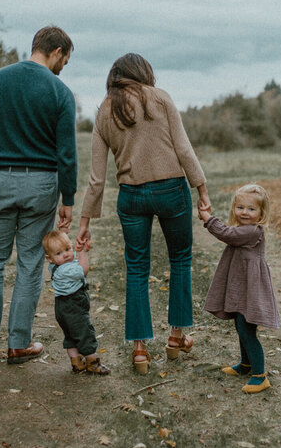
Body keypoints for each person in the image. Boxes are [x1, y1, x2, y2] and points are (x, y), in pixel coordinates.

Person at [76, 53, 211, 374]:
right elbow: (183, 148)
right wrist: (202, 190)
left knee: (136, 270)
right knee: (180, 260)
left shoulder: (105, 110)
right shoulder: (160, 99)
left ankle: (139, 350)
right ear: (144, 73)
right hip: (171, 192)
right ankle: (177, 336)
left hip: (132, 196)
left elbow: (97, 177)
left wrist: (84, 223)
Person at [0, 25, 77, 364]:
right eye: (65, 60)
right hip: (41, 184)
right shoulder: (60, 91)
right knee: (30, 263)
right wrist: (67, 197)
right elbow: (67, 153)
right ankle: (18, 344)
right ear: (56, 52)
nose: (62, 68)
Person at [198, 183, 281, 393]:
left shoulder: (253, 231)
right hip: (241, 287)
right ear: (234, 208)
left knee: (247, 330)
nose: (245, 212)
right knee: (240, 326)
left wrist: (209, 219)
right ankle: (246, 365)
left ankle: (260, 375)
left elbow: (227, 234)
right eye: (240, 207)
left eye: (252, 209)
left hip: (251, 291)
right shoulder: (243, 229)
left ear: (261, 213)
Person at [42, 230, 110, 375]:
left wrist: (79, 244)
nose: (66, 254)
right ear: (49, 258)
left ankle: (77, 363)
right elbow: (83, 270)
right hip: (73, 305)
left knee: (71, 335)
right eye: (59, 253)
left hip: (61, 307)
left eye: (67, 249)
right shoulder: (66, 269)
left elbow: (71, 260)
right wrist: (83, 253)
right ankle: (93, 363)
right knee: (84, 331)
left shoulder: (56, 266)